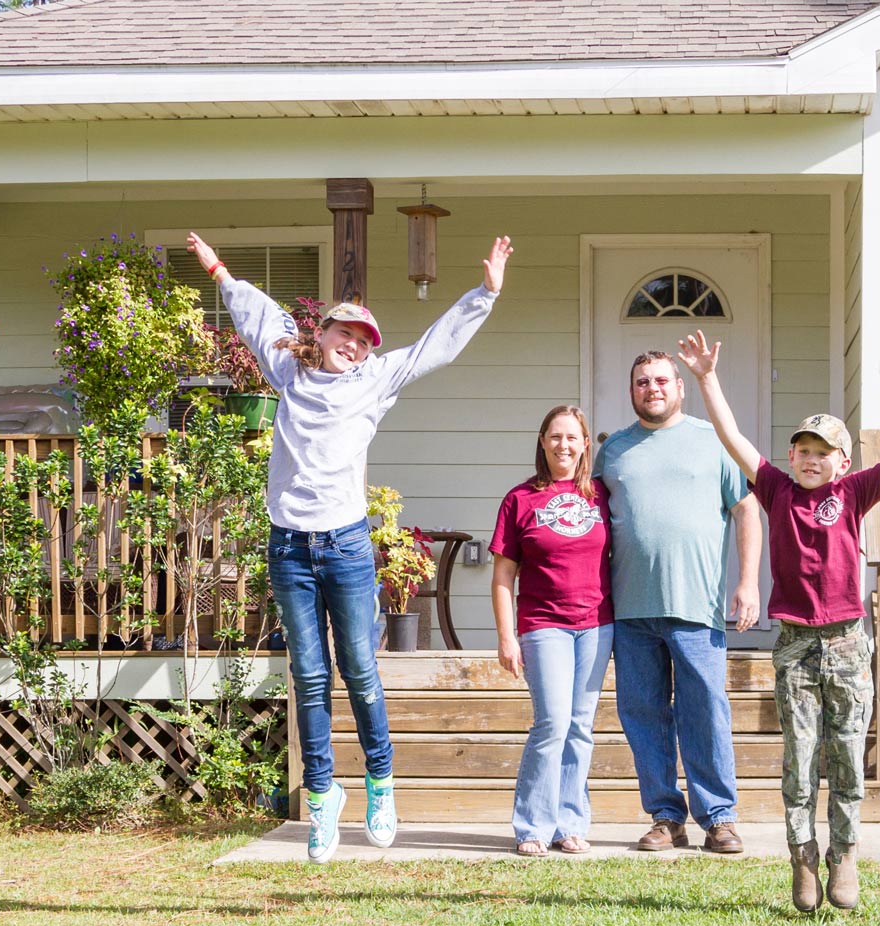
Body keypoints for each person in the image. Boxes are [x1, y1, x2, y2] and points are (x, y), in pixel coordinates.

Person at [186, 230, 513, 863]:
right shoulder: (286, 369)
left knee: (358, 669)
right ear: (326, 332)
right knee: (308, 676)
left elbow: (433, 349)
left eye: (365, 343)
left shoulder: (375, 382)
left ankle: (381, 783)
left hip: (345, 547)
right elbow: (257, 315)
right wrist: (220, 270)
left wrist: (485, 293)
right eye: (347, 335)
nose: (355, 348)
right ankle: (320, 799)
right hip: (289, 548)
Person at [679, 330, 880, 912]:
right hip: (796, 644)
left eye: (822, 451)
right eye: (802, 450)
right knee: (800, 758)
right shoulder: (776, 491)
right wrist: (706, 379)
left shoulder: (853, 493)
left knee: (848, 754)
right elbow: (732, 438)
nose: (809, 459)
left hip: (849, 641)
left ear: (843, 461)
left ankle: (845, 853)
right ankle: (802, 859)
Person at [591, 350, 761, 854]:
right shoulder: (613, 452)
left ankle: (720, 818)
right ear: (632, 391)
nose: (653, 388)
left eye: (662, 380)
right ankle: (666, 816)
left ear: (680, 388)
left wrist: (748, 582)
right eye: (642, 381)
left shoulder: (715, 443)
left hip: (697, 605)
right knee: (643, 713)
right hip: (631, 609)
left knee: (705, 709)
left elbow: (747, 512)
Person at [490, 405, 614, 857]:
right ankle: (532, 827)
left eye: (572, 437)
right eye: (555, 436)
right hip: (544, 624)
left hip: (598, 624)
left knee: (580, 726)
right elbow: (503, 577)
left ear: (585, 444)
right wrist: (507, 637)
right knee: (553, 723)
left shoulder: (602, 496)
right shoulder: (520, 499)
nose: (564, 444)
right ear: (542, 442)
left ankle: (570, 823)